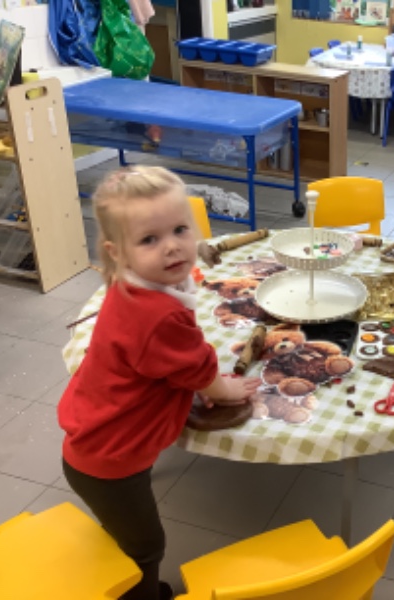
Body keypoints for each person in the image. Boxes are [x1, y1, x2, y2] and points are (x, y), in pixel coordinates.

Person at [58, 166, 261, 600]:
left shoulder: (132, 285)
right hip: (110, 460)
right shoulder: (157, 314)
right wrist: (225, 389)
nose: (171, 246)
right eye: (150, 239)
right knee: (145, 546)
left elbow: (168, 360)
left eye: (180, 229)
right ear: (117, 252)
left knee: (126, 533)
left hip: (96, 438)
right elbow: (198, 369)